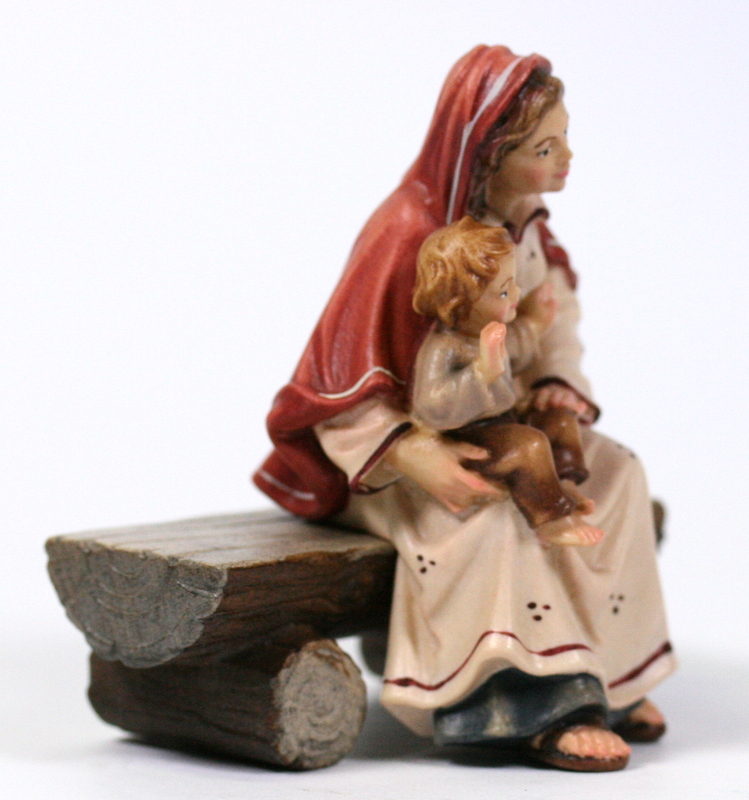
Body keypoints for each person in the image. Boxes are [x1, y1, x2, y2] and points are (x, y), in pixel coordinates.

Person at [254, 45, 675, 772]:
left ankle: (611, 675)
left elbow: (554, 316)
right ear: (488, 154)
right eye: (545, 148)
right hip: (394, 459)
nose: (567, 158)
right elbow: (333, 382)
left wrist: (554, 381)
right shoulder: (405, 234)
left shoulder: (524, 225)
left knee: (617, 474)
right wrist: (414, 453)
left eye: (564, 139)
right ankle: (514, 702)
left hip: (502, 420)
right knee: (491, 514)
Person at [411, 215, 601, 546]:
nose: (516, 294)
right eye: (503, 291)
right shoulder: (444, 347)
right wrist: (480, 373)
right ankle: (550, 520)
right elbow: (432, 407)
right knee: (529, 445)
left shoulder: (492, 333)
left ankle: (563, 484)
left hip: (506, 420)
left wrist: (537, 325)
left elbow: (517, 350)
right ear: (463, 302)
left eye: (513, 284)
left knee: (559, 422)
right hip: (473, 440)